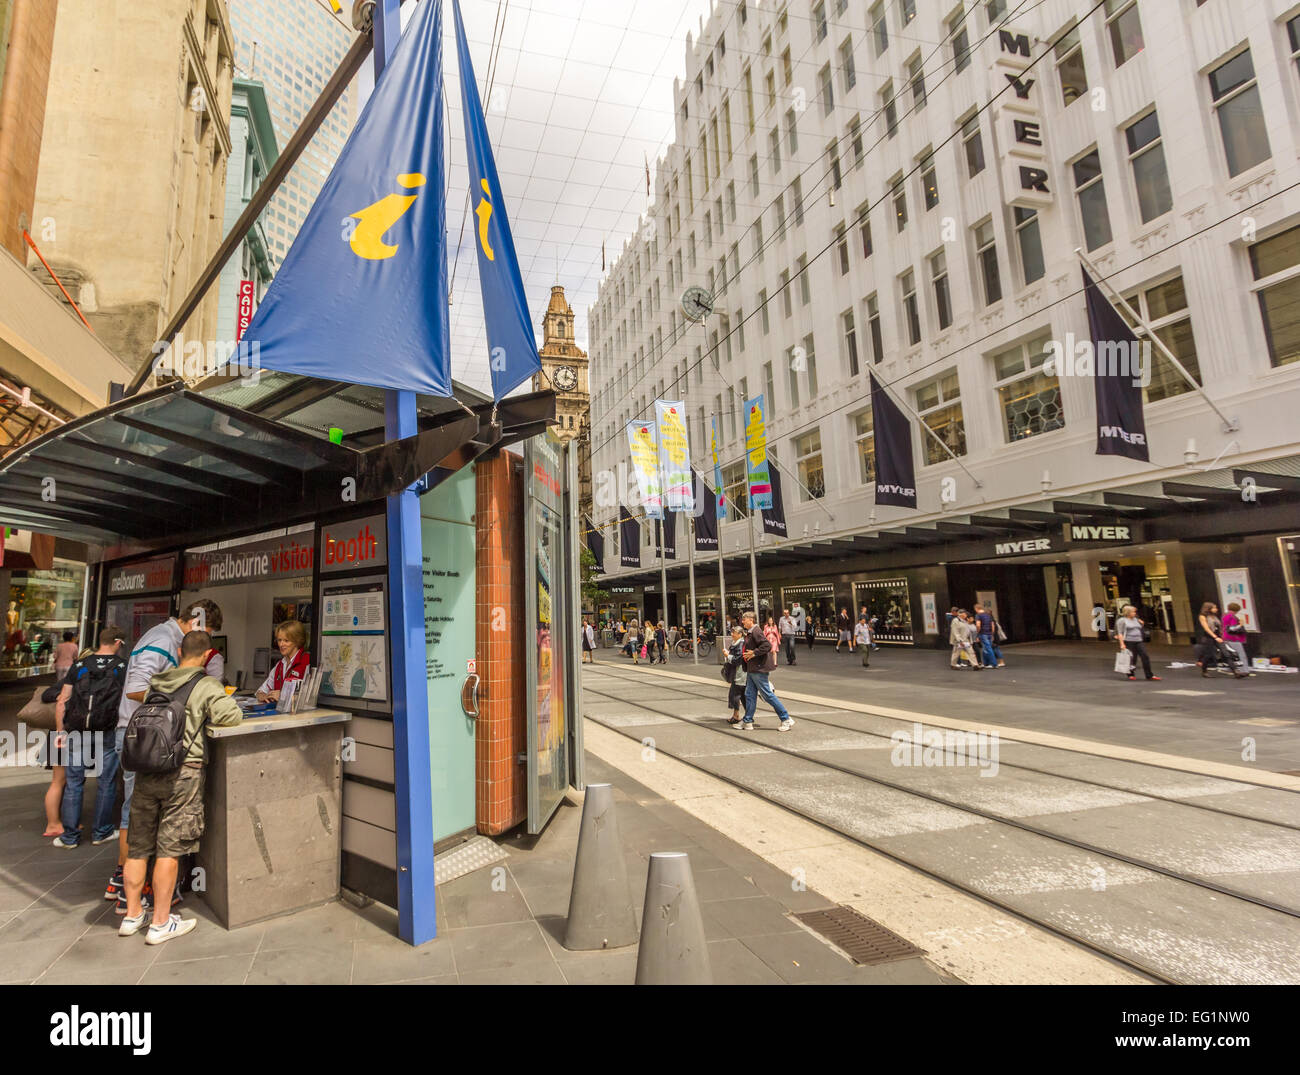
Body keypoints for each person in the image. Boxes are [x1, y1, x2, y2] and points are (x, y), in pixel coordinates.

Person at [119, 630, 243, 945]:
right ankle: (161, 922)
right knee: (169, 849)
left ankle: (132, 915)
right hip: (183, 774)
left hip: (147, 770)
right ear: (207, 656)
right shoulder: (205, 685)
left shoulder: (157, 682)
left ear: (178, 650)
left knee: (138, 846)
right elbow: (232, 715)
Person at [106, 600, 220, 914]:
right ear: (196, 624)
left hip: (152, 738)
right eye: (207, 632)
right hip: (142, 738)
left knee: (142, 814)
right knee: (135, 814)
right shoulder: (161, 640)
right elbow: (136, 688)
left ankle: (130, 887)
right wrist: (184, 699)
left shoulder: (166, 638)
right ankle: (129, 888)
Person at [52, 627, 128, 849]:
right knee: (106, 782)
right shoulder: (122, 667)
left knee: (74, 783)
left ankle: (70, 837)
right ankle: (101, 832)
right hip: (107, 730)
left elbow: (62, 700)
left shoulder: (79, 665)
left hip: (77, 730)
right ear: (116, 642)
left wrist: (60, 731)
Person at [736, 612, 793, 731]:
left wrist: (754, 653)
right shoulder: (751, 632)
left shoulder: (756, 631)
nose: (742, 622)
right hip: (753, 668)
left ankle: (786, 718)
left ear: (751, 620)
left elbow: (767, 645)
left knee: (767, 695)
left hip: (758, 668)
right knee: (750, 695)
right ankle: (747, 721)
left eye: (744, 619)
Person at [255, 619, 310, 703]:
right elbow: (261, 691)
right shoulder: (280, 665)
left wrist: (283, 695)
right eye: (279, 640)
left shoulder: (307, 661)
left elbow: (309, 697)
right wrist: (262, 695)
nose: (281, 644)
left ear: (297, 641)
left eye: (286, 641)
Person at [1196, 601, 1245, 679]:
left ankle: (1236, 672)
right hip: (1209, 637)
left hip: (1218, 637)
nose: (1216, 609)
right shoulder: (1202, 616)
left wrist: (1221, 635)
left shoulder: (1214, 616)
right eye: (1214, 607)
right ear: (1209, 608)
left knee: (1226, 654)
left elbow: (1219, 626)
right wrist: (1215, 637)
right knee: (1208, 655)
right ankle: (1204, 671)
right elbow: (1206, 628)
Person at [1115, 604, 1160, 681]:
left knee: (1145, 656)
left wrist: (1141, 623)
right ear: (1128, 612)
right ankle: (1130, 674)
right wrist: (1122, 644)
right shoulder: (1122, 621)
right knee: (1132, 659)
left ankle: (1149, 675)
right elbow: (1120, 633)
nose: (1135, 613)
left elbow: (1139, 627)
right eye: (1133, 612)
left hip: (1139, 640)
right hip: (1129, 641)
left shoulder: (1135, 619)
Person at [723, 625, 747, 726]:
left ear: (740, 634)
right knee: (739, 695)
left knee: (737, 695)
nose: (732, 634)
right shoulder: (736, 643)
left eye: (734, 633)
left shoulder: (740, 644)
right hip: (737, 673)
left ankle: (740, 716)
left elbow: (738, 659)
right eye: (731, 632)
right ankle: (739, 715)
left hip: (740, 674)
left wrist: (728, 655)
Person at [1221, 603, 1254, 676]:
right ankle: (1245, 670)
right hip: (1233, 638)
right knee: (1241, 654)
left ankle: (1233, 668)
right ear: (1236, 610)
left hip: (1226, 637)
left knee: (1231, 654)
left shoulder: (1224, 615)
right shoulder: (1232, 617)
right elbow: (1232, 628)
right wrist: (1241, 625)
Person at [973, 603, 997, 668]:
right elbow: (992, 625)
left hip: (983, 633)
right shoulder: (988, 615)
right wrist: (992, 634)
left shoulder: (978, 615)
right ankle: (986, 663)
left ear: (976, 609)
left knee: (988, 648)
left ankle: (994, 664)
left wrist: (977, 633)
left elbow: (978, 625)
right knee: (985, 648)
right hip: (989, 633)